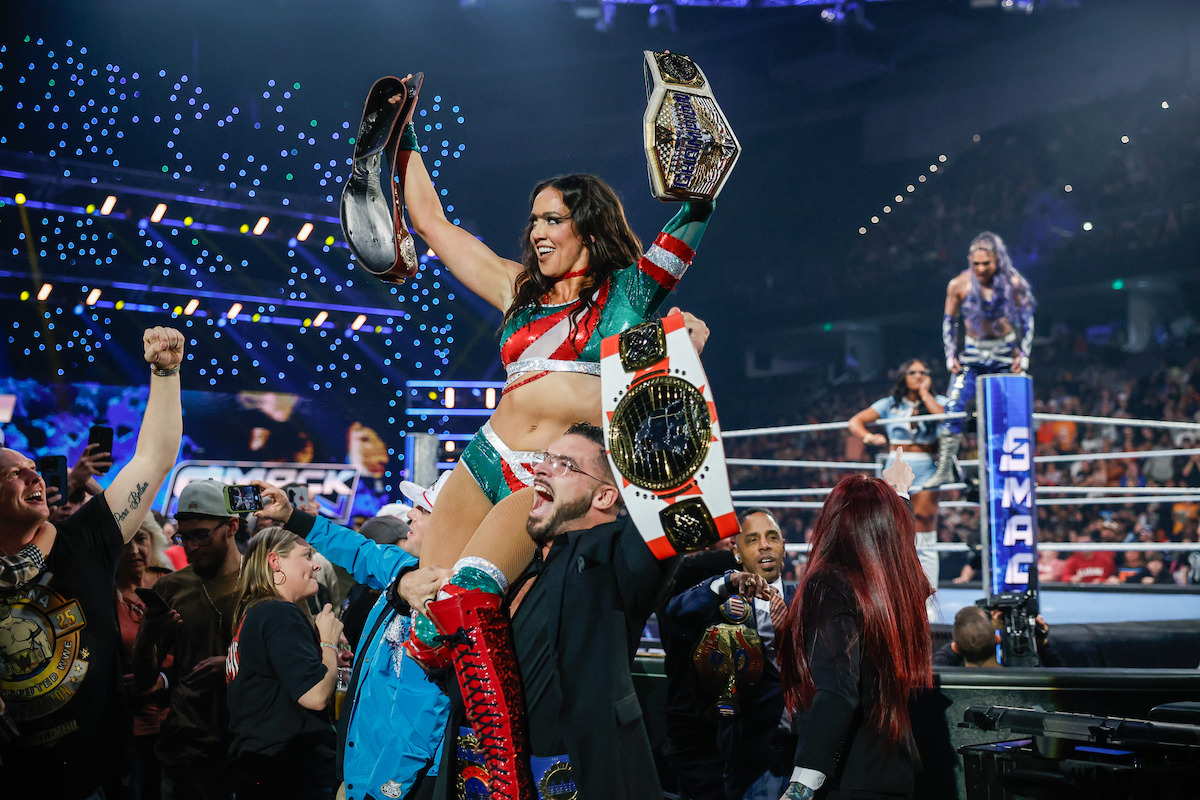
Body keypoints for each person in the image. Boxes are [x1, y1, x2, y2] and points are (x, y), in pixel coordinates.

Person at [393, 80, 715, 798]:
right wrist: (399, 137)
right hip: (481, 460)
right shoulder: (518, 293)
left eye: (553, 219)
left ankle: (505, 778)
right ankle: (445, 771)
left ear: (587, 227)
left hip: (543, 475)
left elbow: (695, 214)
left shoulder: (629, 293)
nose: (537, 232)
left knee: (466, 599)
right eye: (533, 219)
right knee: (427, 620)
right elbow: (437, 228)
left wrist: (697, 166)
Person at [407, 421, 674, 800]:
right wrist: (403, 585)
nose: (542, 468)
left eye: (564, 464)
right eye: (546, 458)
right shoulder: (510, 566)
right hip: (472, 781)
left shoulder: (615, 561)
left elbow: (674, 512)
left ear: (604, 497)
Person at [0, 326, 184, 800]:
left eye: (33, 467)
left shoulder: (82, 539)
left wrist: (165, 373)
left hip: (95, 778)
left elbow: (153, 459)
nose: (33, 473)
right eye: (14, 473)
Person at [252, 473, 451, 800]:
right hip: (366, 772)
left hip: (400, 783)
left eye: (424, 509)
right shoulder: (405, 568)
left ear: (450, 524)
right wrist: (291, 517)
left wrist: (384, 788)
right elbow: (359, 551)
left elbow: (425, 713)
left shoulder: (452, 601)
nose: (411, 514)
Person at [777, 474, 932, 800]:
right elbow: (897, 551)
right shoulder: (896, 587)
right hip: (892, 773)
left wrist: (801, 786)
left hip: (846, 779)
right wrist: (898, 496)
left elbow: (838, 691)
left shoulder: (830, 582)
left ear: (833, 520)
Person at [664, 508, 797, 800]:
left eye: (772, 537)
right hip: (749, 760)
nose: (764, 545)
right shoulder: (721, 605)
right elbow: (676, 610)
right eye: (752, 539)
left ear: (783, 547)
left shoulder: (809, 599)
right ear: (737, 553)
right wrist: (726, 582)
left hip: (805, 758)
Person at [133, 479, 245, 800]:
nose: (191, 547)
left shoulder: (262, 581)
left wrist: (232, 664)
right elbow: (143, 681)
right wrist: (150, 635)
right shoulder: (171, 588)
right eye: (184, 536)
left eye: (202, 535)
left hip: (248, 740)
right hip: (189, 745)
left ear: (232, 526)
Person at [224, 527, 341, 799]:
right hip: (288, 776)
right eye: (307, 555)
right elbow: (315, 695)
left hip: (260, 771)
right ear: (275, 561)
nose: (316, 565)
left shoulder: (258, 613)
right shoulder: (278, 614)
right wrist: (329, 643)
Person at [930, 232, 1036, 488]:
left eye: (985, 264)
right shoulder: (959, 284)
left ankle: (1018, 471)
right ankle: (945, 467)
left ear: (997, 260)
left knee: (1012, 412)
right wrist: (950, 355)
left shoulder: (1013, 283)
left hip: (1004, 353)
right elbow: (949, 322)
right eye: (976, 263)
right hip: (972, 354)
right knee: (953, 406)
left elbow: (1027, 319)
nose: (980, 269)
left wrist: (1023, 354)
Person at [848, 358, 947, 615]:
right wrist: (869, 436)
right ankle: (891, 593)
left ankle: (929, 599)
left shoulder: (938, 401)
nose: (917, 376)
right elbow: (855, 421)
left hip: (927, 465)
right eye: (912, 372)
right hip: (897, 463)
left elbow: (946, 420)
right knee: (892, 526)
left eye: (923, 372)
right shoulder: (890, 404)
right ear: (903, 376)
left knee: (925, 528)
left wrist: (925, 394)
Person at [117, 515, 175, 800]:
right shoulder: (102, 593)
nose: (134, 550)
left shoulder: (170, 584)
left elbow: (190, 652)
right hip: (122, 728)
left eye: (140, 539)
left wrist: (163, 680)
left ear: (153, 540)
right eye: (124, 542)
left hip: (172, 723)